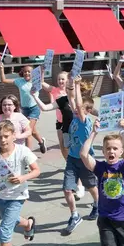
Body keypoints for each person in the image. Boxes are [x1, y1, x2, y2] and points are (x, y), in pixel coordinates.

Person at [33, 76, 100, 233]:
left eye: (80, 109)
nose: (75, 109)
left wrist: (76, 84)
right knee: (67, 189)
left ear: (88, 112)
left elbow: (76, 102)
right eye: (75, 109)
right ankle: (74, 215)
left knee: (91, 186)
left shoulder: (85, 122)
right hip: (72, 159)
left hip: (85, 160)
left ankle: (98, 204)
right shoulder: (74, 119)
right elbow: (72, 101)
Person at [0, 62, 46, 153]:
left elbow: (42, 80)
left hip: (34, 109)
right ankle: (41, 141)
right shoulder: (19, 81)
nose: (27, 73)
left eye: (29, 72)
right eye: (25, 72)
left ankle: (27, 155)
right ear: (22, 73)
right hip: (24, 109)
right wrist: (1, 68)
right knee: (33, 131)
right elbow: (3, 80)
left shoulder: (36, 81)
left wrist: (42, 71)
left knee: (28, 132)